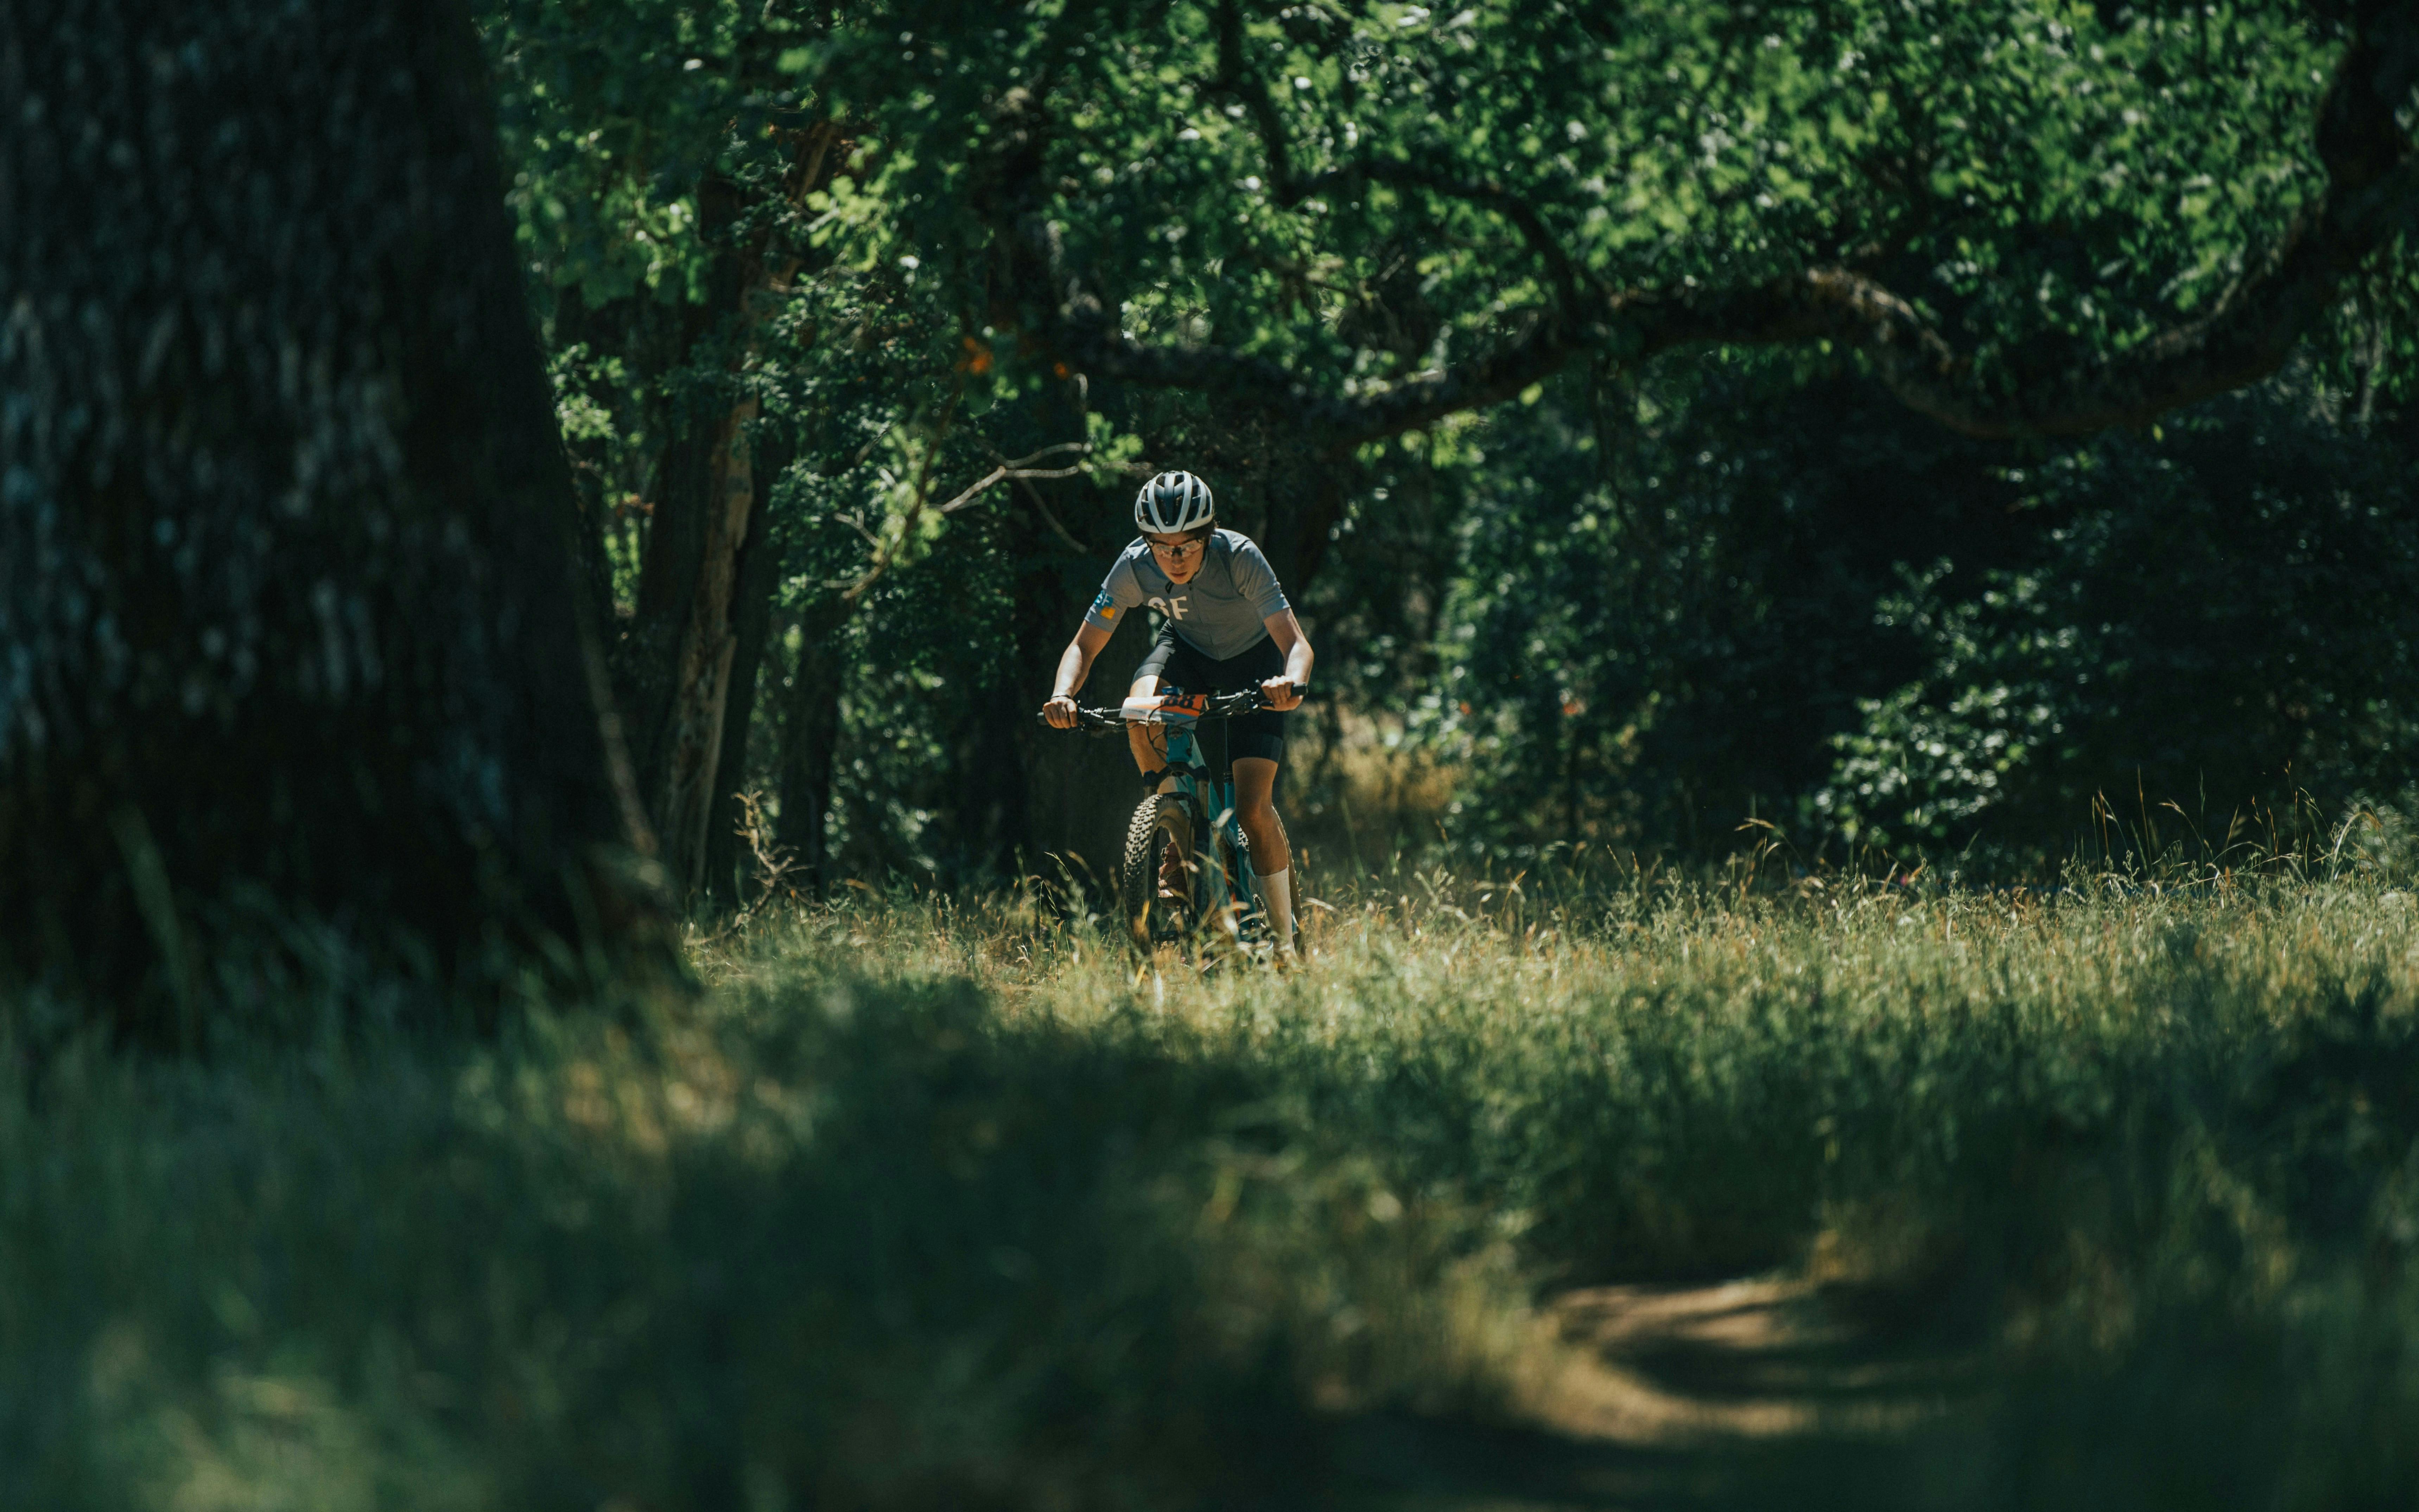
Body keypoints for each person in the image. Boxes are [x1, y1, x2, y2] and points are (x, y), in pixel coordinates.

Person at [1042, 470, 1313, 955]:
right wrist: (1063, 694)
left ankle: (1286, 945)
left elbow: (1295, 643)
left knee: (1252, 808)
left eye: (1187, 545)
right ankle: (1176, 825)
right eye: (1162, 546)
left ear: (1209, 535)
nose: (1175, 557)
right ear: (1147, 542)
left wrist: (1289, 684)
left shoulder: (1240, 557)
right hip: (1186, 653)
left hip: (1254, 662)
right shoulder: (1133, 565)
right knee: (1137, 710)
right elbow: (1084, 645)